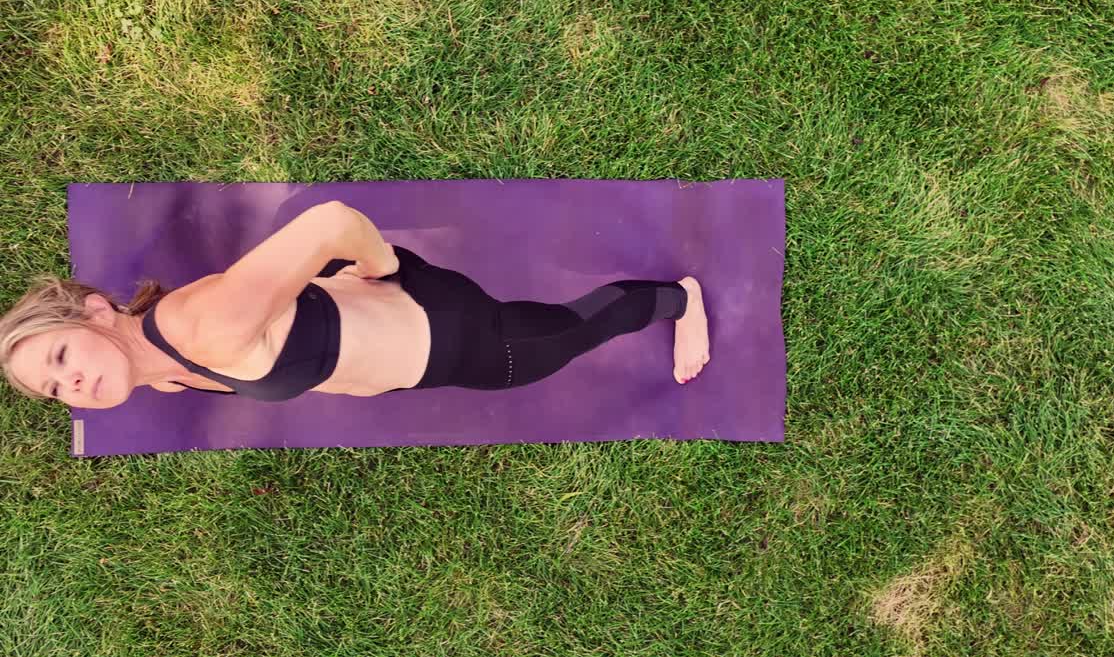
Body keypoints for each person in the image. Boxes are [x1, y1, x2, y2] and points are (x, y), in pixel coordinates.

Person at [0, 201, 710, 408]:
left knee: (561, 340)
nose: (72, 384)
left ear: (95, 312)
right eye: (53, 389)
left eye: (60, 357)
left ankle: (679, 300)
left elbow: (331, 222)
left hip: (451, 332)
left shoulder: (199, 328)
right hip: (405, 343)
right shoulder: (154, 365)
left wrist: (384, 264)